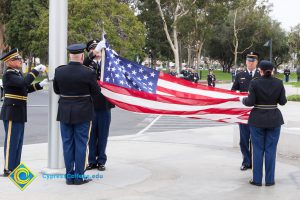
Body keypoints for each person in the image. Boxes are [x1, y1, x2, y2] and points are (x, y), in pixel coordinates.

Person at [53, 43, 101, 185]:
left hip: (65, 111)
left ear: (70, 56)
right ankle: (79, 176)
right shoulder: (88, 72)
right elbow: (96, 92)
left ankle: (69, 176)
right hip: (83, 112)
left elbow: (56, 90)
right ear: (81, 56)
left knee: (67, 143)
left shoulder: (59, 71)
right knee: (81, 144)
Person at [0, 49, 47, 176]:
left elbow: (25, 88)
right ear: (9, 62)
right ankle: (8, 169)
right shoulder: (9, 75)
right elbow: (24, 83)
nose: (20, 61)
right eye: (17, 59)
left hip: (19, 110)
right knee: (11, 141)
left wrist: (40, 85)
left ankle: (15, 167)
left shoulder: (17, 74)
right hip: (11, 111)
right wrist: (36, 70)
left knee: (18, 141)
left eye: (20, 59)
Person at [241, 60, 287, 186]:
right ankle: (270, 180)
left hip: (257, 120)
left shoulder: (255, 83)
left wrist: (243, 100)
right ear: (272, 71)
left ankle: (257, 180)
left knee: (258, 150)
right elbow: (283, 101)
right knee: (271, 150)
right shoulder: (279, 82)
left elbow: (250, 102)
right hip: (274, 119)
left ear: (260, 70)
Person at [83, 39, 115, 171]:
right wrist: (92, 56)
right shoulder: (87, 64)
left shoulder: (108, 64)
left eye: (98, 48)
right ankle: (91, 160)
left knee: (103, 134)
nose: (96, 51)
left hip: (104, 104)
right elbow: (83, 65)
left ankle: (101, 160)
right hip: (90, 104)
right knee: (91, 135)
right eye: (93, 49)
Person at [231, 51, 260, 171]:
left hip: (257, 112)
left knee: (256, 140)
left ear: (256, 62)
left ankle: (255, 162)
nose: (250, 63)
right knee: (243, 140)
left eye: (253, 61)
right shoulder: (240, 75)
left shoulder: (260, 75)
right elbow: (233, 91)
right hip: (243, 113)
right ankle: (246, 162)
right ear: (246, 62)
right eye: (249, 60)